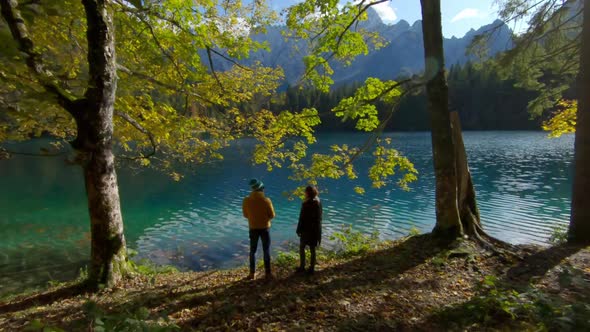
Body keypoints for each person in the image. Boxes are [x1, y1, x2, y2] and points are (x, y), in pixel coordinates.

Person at [242, 178, 275, 280]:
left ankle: (252, 274)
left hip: (253, 228)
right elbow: (272, 215)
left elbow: (245, 215)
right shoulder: (266, 200)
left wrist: (253, 218)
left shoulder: (246, 200)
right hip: (265, 228)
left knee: (253, 250)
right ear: (261, 189)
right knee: (266, 250)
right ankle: (268, 273)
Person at [296, 185, 323, 275]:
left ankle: (302, 266)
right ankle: (312, 268)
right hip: (316, 229)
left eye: (305, 192)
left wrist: (298, 229)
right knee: (312, 248)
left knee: (302, 247)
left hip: (306, 229)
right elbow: (320, 217)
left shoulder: (306, 203)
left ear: (307, 193)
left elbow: (302, 218)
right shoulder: (318, 201)